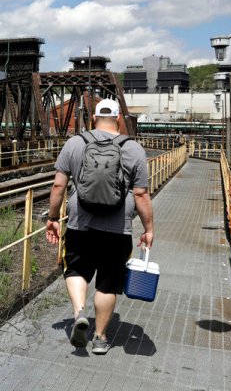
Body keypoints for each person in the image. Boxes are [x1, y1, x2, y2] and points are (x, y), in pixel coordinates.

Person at [45, 98, 154, 354]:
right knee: (107, 284)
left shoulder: (75, 143)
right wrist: (148, 229)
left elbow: (58, 186)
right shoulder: (134, 149)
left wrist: (52, 218)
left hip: (79, 225)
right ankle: (100, 338)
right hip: (118, 230)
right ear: (118, 119)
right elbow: (141, 195)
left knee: (76, 271)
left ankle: (80, 313)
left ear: (93, 118)